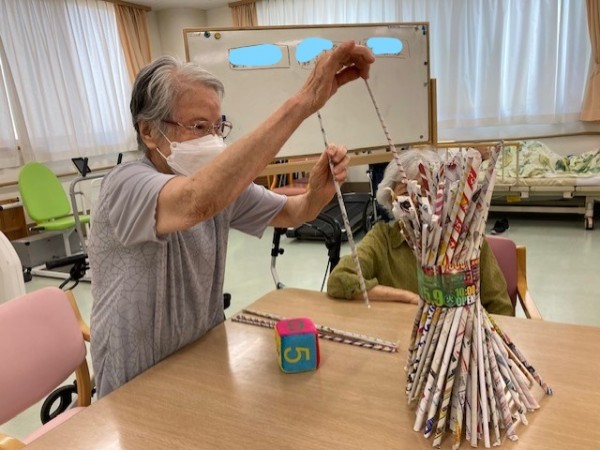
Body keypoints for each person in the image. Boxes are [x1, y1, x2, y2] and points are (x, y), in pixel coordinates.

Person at [88, 41, 375, 397]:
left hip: (200, 359)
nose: (212, 139)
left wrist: (318, 192)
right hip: (135, 382)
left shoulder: (218, 189)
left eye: (217, 127)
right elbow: (195, 201)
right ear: (149, 131)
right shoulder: (125, 184)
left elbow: (293, 212)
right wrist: (303, 102)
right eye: (198, 126)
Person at [327, 148, 514, 316]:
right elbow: (340, 279)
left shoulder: (467, 238)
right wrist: (408, 299)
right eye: (405, 192)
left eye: (426, 192)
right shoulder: (382, 238)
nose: (418, 202)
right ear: (391, 199)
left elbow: (500, 307)